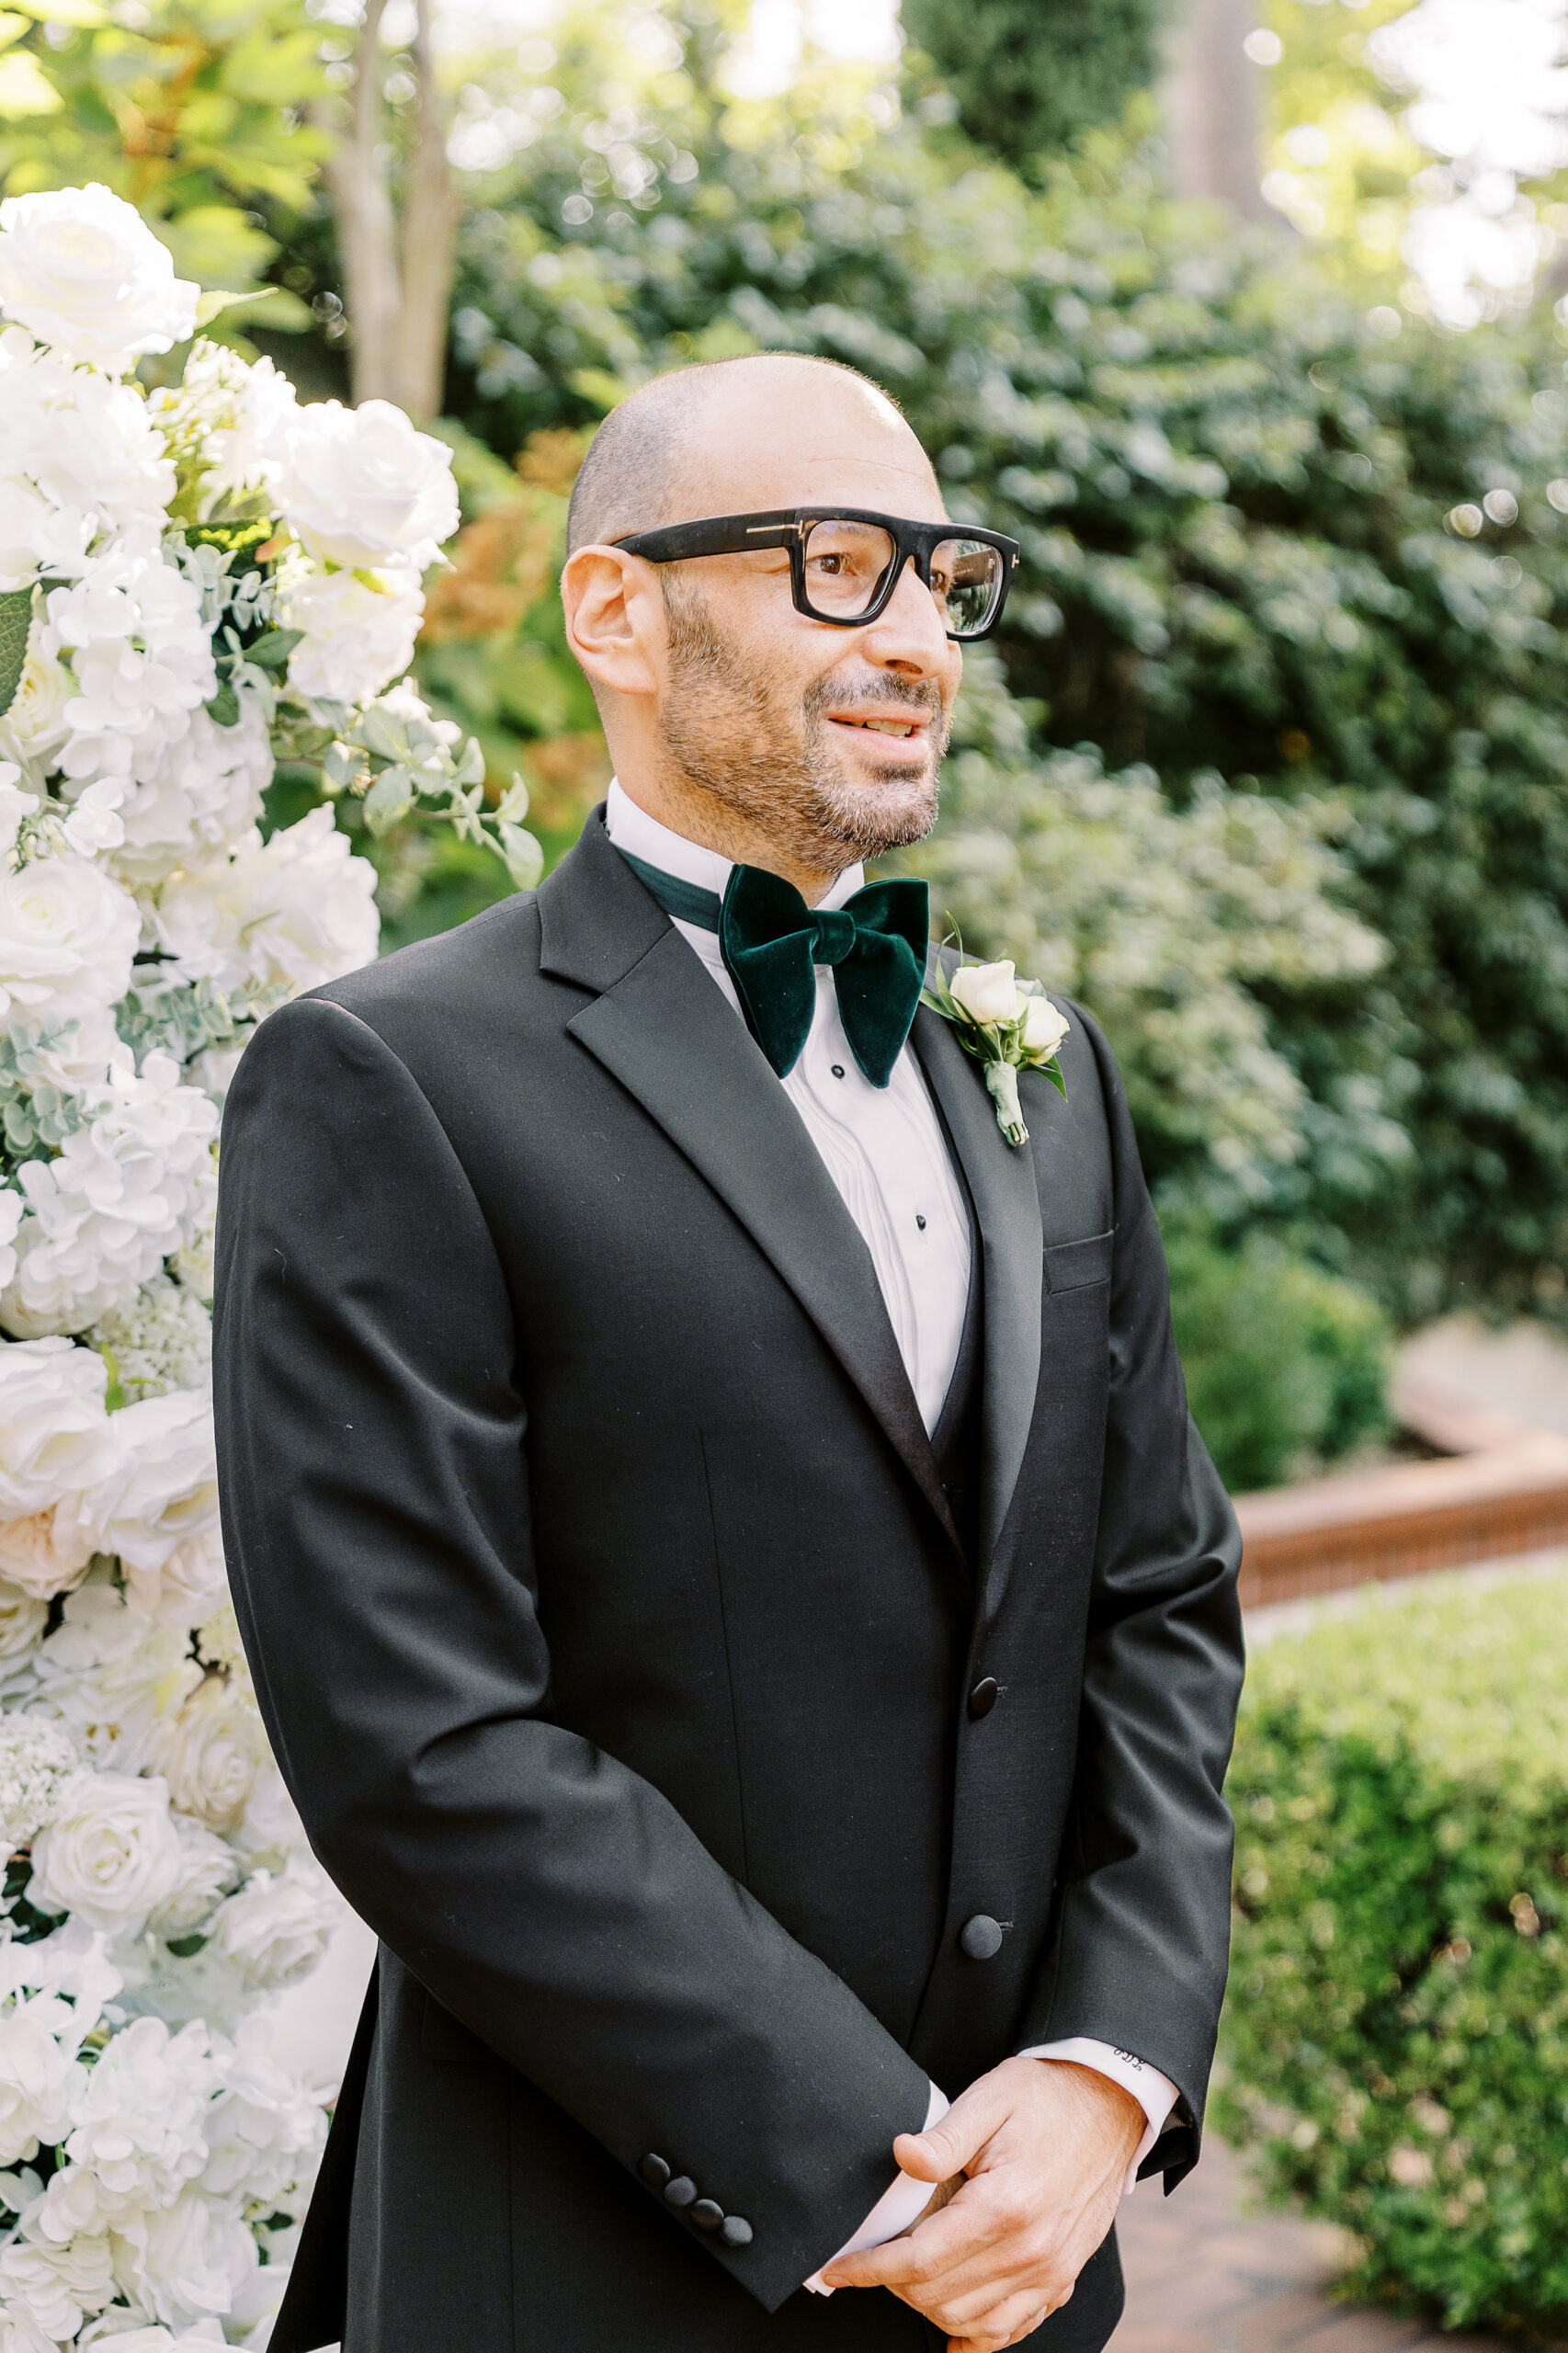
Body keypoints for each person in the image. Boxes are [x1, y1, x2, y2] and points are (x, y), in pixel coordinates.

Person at [213, 351, 1244, 2353]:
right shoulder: (389, 1079)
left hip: (1027, 2269)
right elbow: (421, 1738)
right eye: (837, 566)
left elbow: (1155, 1589)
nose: (915, 639)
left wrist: (1108, 2068)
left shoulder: (1035, 1065)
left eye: (944, 580)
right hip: (595, 2258)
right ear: (617, 609)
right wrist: (883, 2153)